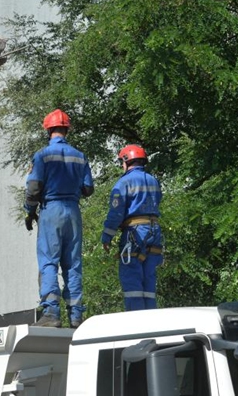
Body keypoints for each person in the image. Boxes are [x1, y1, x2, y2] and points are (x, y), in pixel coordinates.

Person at [25, 109, 94, 328]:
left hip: (51, 210)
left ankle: (51, 313)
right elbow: (88, 188)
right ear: (66, 129)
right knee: (73, 264)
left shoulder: (43, 155)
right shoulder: (80, 156)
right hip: (73, 211)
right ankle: (76, 316)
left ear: (48, 129)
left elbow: (34, 188)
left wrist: (29, 211)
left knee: (49, 262)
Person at [101, 144, 163, 311]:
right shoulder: (154, 181)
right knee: (149, 280)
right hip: (154, 232)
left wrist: (107, 236)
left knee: (132, 280)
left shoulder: (123, 183)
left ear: (127, 161)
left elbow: (116, 213)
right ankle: (150, 318)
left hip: (134, 234)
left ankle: (136, 320)